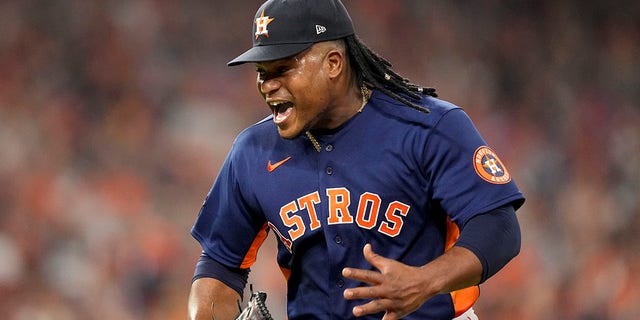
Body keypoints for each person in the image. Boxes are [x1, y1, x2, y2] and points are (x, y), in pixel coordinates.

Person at [188, 0, 525, 319]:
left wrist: (424, 281)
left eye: (282, 69)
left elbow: (498, 225)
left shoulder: (427, 126)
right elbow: (220, 263)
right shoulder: (252, 151)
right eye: (263, 72)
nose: (267, 86)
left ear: (333, 63)